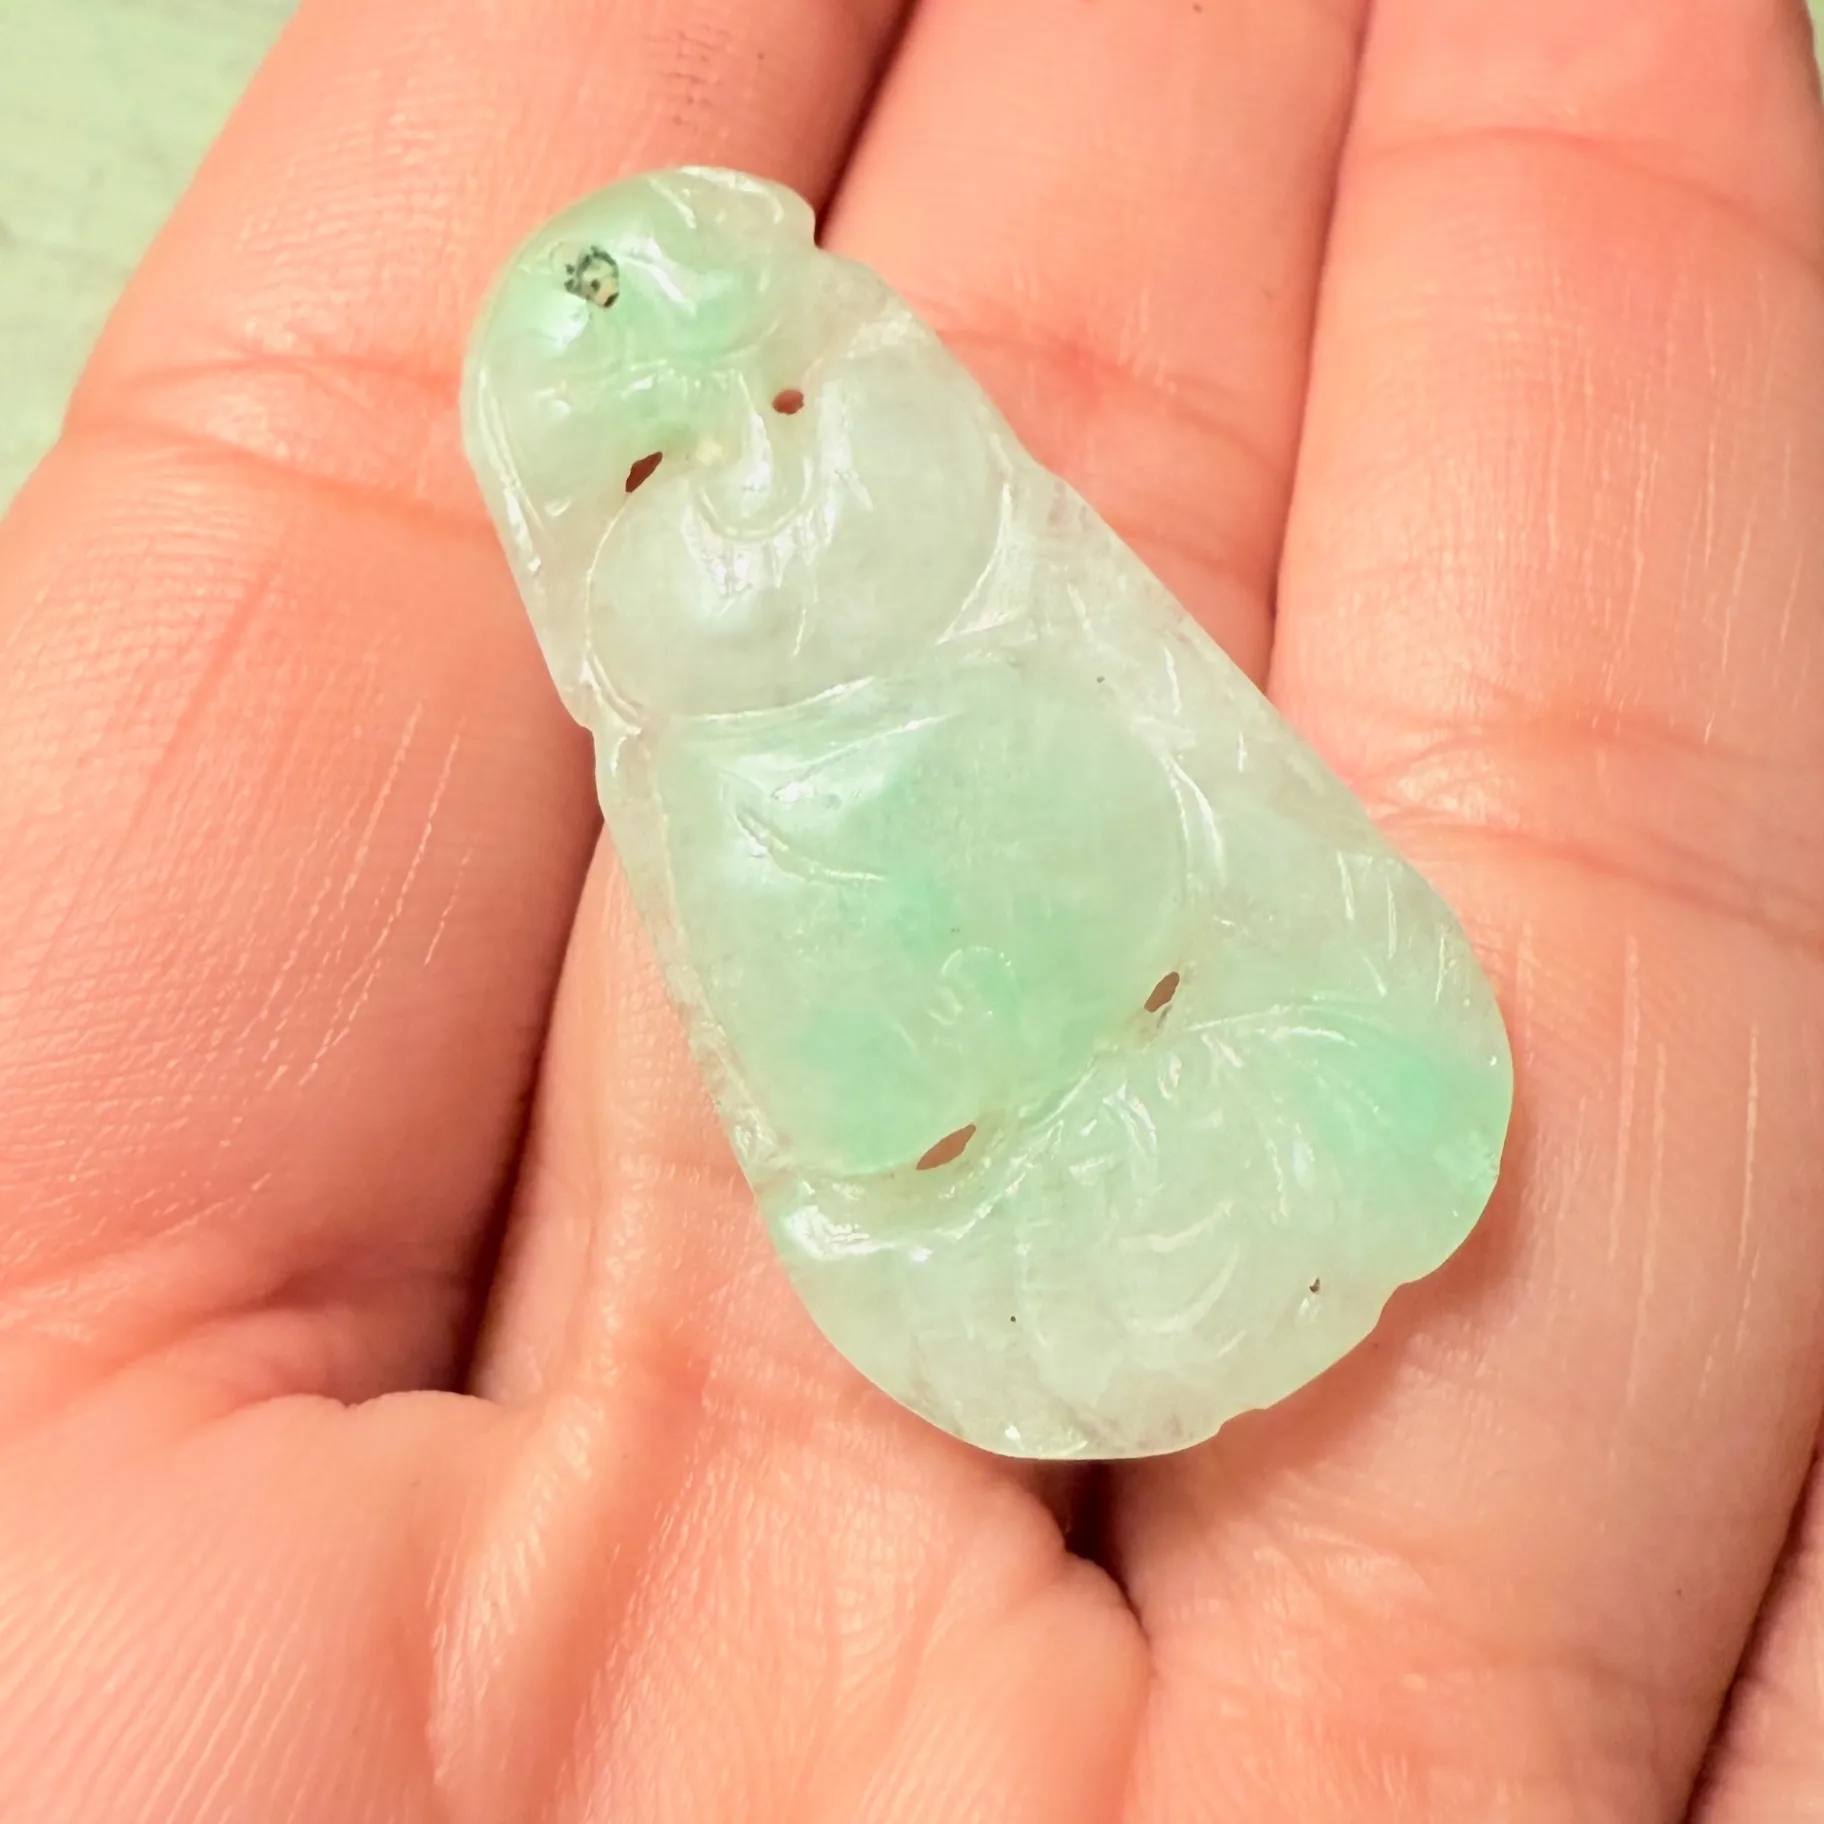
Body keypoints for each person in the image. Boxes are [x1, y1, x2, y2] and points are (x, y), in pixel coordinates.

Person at [0, 0, 1821, 1817]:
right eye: (655, 468)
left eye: (790, 393)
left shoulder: (1041, 606)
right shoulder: (711, 798)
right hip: (1001, 1222)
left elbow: (1234, 841)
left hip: (1251, 1055)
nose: (760, 467)